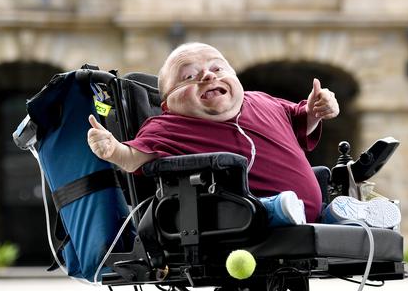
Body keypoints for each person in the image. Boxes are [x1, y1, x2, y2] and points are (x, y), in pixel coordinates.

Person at [87, 42, 339, 223]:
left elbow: (301, 119)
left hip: (313, 217)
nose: (208, 75)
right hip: (247, 219)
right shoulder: (169, 126)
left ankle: (347, 213)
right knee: (263, 209)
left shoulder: (263, 101)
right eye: (189, 76)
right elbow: (135, 157)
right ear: (168, 105)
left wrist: (317, 110)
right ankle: (278, 210)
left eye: (218, 69)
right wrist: (114, 150)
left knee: (348, 213)